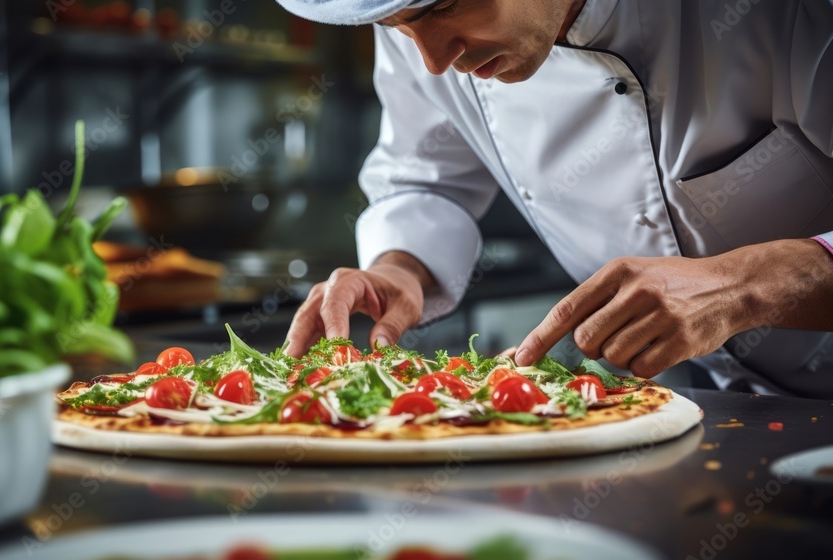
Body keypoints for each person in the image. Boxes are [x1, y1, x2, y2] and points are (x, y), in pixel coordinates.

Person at [275, 0, 833, 397]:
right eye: (397, 24)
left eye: (443, 7)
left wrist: (745, 287)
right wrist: (400, 269)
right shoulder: (416, 31)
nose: (434, 61)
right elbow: (427, 179)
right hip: (727, 400)